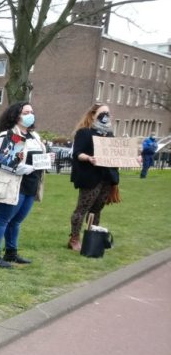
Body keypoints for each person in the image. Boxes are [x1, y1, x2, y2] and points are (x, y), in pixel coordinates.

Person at [0, 101, 44, 267]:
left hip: (31, 185)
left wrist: (47, 158)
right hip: (13, 183)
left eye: (31, 112)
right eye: (25, 112)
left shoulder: (35, 136)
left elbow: (37, 157)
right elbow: (3, 160)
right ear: (15, 115)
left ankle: (11, 252)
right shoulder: (8, 135)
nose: (30, 115)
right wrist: (22, 167)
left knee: (17, 220)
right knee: (3, 218)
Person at [68, 104, 119, 251]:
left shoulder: (110, 135)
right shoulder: (84, 133)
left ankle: (92, 237)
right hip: (91, 177)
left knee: (97, 209)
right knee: (83, 208)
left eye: (108, 113)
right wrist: (89, 158)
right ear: (93, 114)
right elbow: (77, 153)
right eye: (103, 113)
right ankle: (74, 238)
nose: (106, 116)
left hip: (106, 177)